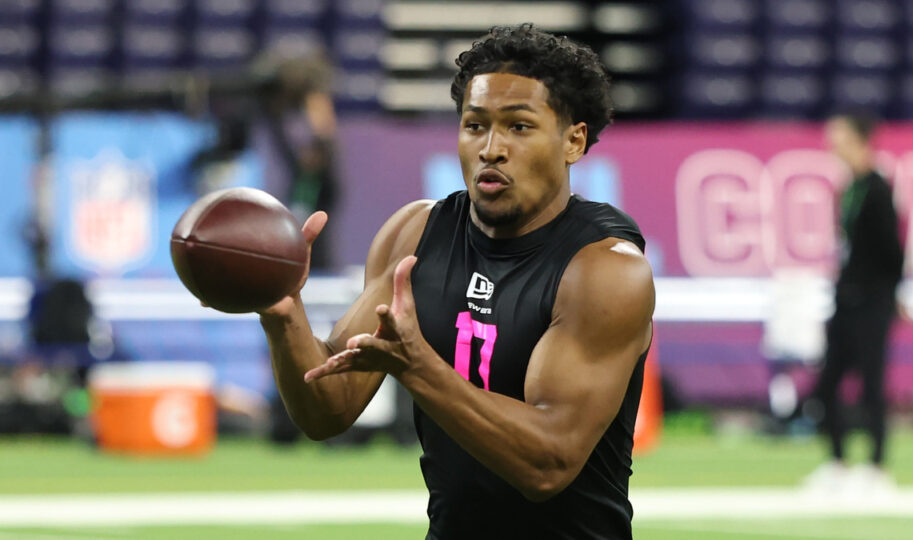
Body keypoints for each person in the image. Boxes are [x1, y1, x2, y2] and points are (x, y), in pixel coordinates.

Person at [258, 24, 655, 539]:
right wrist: (284, 314)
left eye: (519, 126)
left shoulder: (605, 268)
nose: (491, 148)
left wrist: (420, 368)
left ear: (573, 140)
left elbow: (548, 464)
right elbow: (325, 411)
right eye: (475, 125)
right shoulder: (414, 234)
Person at [804, 113, 904, 492]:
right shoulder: (850, 188)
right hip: (845, 299)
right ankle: (838, 462)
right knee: (827, 384)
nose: (831, 143)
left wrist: (892, 295)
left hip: (872, 301)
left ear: (860, 140)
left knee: (871, 383)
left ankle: (877, 467)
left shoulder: (876, 188)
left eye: (839, 136)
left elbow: (893, 251)